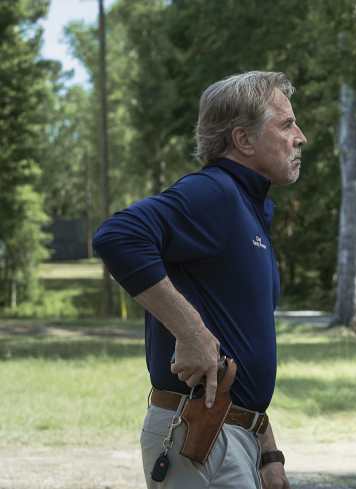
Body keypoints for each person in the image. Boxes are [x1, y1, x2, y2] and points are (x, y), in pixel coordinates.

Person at [93, 71, 306, 489]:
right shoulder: (215, 192)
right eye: (285, 125)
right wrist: (190, 332)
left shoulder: (245, 208)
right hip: (200, 437)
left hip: (231, 436)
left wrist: (266, 449)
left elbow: (240, 342)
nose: (300, 137)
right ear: (243, 140)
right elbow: (117, 236)